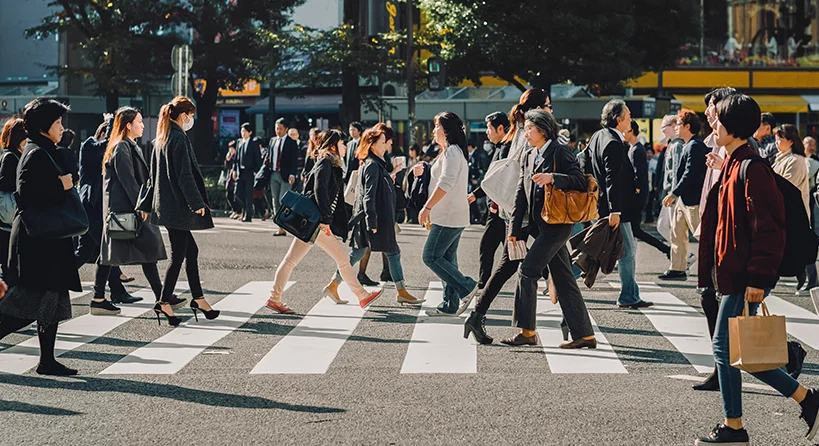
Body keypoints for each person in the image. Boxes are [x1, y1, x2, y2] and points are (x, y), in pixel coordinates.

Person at [695, 93, 819, 446]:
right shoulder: (734, 163)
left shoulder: (752, 168)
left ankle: (737, 427)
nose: (712, 125)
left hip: (744, 276)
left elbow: (769, 228)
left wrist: (760, 278)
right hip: (733, 273)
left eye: (717, 121)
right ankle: (804, 401)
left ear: (732, 127)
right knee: (735, 351)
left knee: (727, 349)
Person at [501, 109, 596, 348]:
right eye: (525, 130)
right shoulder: (529, 155)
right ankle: (585, 335)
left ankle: (527, 332)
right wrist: (514, 228)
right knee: (563, 279)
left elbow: (579, 180)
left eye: (529, 129)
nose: (526, 134)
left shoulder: (560, 151)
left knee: (528, 271)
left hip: (558, 225)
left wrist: (553, 177)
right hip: (539, 225)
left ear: (543, 130)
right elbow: (520, 194)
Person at [464, 89, 552, 343]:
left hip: (520, 212)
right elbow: (522, 174)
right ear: (536, 108)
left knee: (520, 265)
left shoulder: (523, 130)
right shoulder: (529, 133)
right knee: (514, 265)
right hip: (523, 213)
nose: (550, 109)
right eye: (546, 105)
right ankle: (564, 323)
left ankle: (483, 317)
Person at [0, 98, 80, 376]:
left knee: (51, 301)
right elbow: (27, 196)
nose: (61, 127)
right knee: (24, 304)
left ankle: (47, 360)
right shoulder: (35, 153)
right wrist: (61, 185)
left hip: (47, 239)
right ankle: (46, 360)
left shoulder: (44, 149)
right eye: (57, 122)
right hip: (37, 242)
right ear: (45, 126)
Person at [266, 129, 383, 314]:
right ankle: (362, 295)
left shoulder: (331, 164)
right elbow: (320, 192)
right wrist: (326, 220)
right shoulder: (325, 163)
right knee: (343, 259)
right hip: (317, 222)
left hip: (313, 221)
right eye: (341, 144)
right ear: (332, 146)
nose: (344, 146)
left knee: (290, 261)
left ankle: (274, 298)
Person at [326, 126, 424, 306]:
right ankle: (401, 291)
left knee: (359, 253)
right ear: (372, 144)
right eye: (384, 141)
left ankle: (333, 284)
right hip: (375, 219)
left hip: (373, 218)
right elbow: (368, 196)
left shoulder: (375, 163)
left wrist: (389, 179)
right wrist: (372, 222)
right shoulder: (372, 165)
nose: (389, 143)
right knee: (391, 252)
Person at [143, 96, 219, 326]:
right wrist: (196, 203)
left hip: (168, 206)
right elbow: (185, 175)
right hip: (179, 207)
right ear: (183, 115)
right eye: (190, 115)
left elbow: (151, 178)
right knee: (179, 255)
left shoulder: (161, 139)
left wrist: (146, 205)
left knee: (190, 251)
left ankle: (199, 299)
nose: (191, 119)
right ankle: (164, 302)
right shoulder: (178, 139)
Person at [95, 106, 173, 315]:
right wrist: (142, 206)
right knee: (117, 254)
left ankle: (161, 297)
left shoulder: (127, 145)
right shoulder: (121, 147)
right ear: (128, 125)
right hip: (125, 211)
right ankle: (161, 298)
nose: (142, 125)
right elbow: (128, 181)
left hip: (125, 210)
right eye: (138, 121)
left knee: (117, 254)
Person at [693, 86, 739, 392]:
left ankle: (785, 356)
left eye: (713, 107)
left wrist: (724, 168)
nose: (709, 112)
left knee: (719, 303)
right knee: (710, 299)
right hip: (709, 231)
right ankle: (720, 366)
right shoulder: (712, 141)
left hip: (725, 236)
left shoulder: (734, 147)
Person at [588, 99, 653, 309]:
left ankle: (631, 293)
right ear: (619, 120)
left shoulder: (598, 136)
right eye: (629, 116)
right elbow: (612, 179)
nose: (631, 120)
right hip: (615, 208)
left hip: (604, 205)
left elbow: (584, 161)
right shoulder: (614, 142)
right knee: (626, 252)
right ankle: (628, 296)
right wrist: (615, 209)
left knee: (603, 248)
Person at [416, 111, 478, 316]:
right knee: (448, 260)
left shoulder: (452, 152)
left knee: (430, 256)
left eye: (437, 127)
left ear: (447, 130)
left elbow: (446, 182)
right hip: (452, 214)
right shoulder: (450, 152)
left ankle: (467, 286)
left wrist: (427, 207)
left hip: (449, 216)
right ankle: (449, 305)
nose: (434, 130)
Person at [659, 109, 707, 281]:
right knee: (677, 232)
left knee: (702, 235)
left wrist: (674, 193)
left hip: (693, 199)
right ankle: (677, 268)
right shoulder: (689, 145)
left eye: (678, 124)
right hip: (685, 199)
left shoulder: (695, 146)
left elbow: (690, 173)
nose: (676, 127)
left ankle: (712, 268)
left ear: (688, 126)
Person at [468, 111, 511, 289]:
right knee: (510, 251)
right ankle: (548, 273)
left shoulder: (506, 148)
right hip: (498, 208)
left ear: (500, 128)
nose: (487, 132)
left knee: (490, 248)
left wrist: (493, 202)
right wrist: (475, 195)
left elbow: (502, 179)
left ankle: (483, 285)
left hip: (499, 208)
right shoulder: (500, 147)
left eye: (489, 128)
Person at [624, 120, 670, 256]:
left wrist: (635, 191)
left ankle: (665, 249)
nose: (622, 133)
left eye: (624, 130)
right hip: (639, 195)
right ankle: (665, 249)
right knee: (634, 230)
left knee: (635, 230)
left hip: (637, 197)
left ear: (631, 131)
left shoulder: (637, 149)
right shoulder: (634, 148)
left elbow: (638, 174)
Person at [263, 118, 299, 236]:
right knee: (275, 201)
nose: (278, 131)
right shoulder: (272, 141)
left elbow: (294, 160)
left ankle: (289, 224)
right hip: (273, 173)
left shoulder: (291, 142)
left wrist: (293, 173)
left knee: (283, 200)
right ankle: (281, 227)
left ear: (286, 129)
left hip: (286, 175)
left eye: (280, 128)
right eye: (276, 128)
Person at [0, 118, 25, 275]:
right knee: (10, 268)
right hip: (8, 220)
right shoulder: (11, 157)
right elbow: (4, 183)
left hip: (7, 222)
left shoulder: (11, 155)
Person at [234, 123, 263, 222]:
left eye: (245, 131)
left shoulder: (253, 143)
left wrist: (256, 171)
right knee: (237, 193)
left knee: (249, 194)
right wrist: (234, 170)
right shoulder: (239, 142)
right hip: (240, 171)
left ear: (250, 132)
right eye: (242, 131)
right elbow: (236, 158)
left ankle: (248, 216)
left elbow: (258, 159)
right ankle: (246, 209)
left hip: (250, 171)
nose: (243, 133)